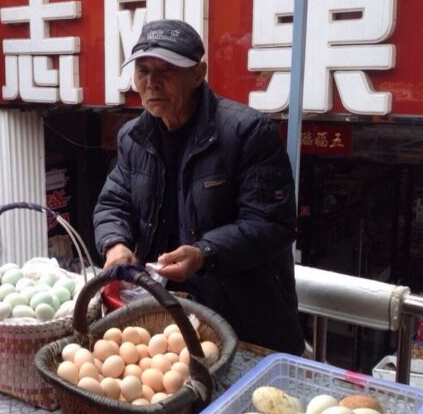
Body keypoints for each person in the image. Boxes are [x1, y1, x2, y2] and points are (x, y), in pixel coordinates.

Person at [93, 19, 304, 354]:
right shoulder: (133, 136)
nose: (152, 83)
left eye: (167, 70)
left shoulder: (247, 132)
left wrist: (205, 253)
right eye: (143, 70)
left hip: (245, 318)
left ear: (198, 73)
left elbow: (272, 224)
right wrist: (115, 244)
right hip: (165, 317)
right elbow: (113, 202)